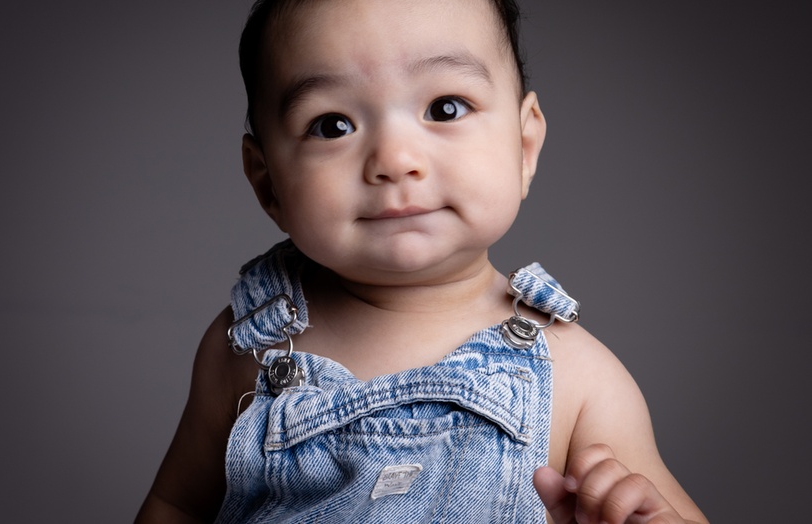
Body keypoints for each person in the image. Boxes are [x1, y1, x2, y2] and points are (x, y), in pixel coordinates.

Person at [136, 0, 708, 522]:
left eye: (445, 107)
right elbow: (177, 504)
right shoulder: (251, 348)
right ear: (268, 183)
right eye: (333, 125)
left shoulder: (577, 377)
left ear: (524, 147)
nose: (395, 160)